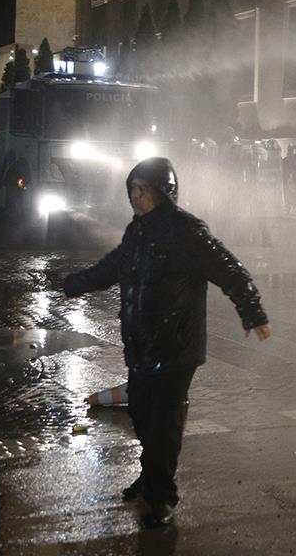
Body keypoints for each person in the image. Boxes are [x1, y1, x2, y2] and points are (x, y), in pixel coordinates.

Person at [61, 157, 271, 528]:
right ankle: (150, 476)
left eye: (142, 189)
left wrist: (252, 312)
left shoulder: (186, 231)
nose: (135, 196)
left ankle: (161, 497)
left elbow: (229, 269)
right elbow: (113, 266)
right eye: (132, 189)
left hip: (177, 347)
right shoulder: (137, 231)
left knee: (164, 423)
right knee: (142, 413)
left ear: (163, 192)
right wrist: (76, 284)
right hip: (141, 345)